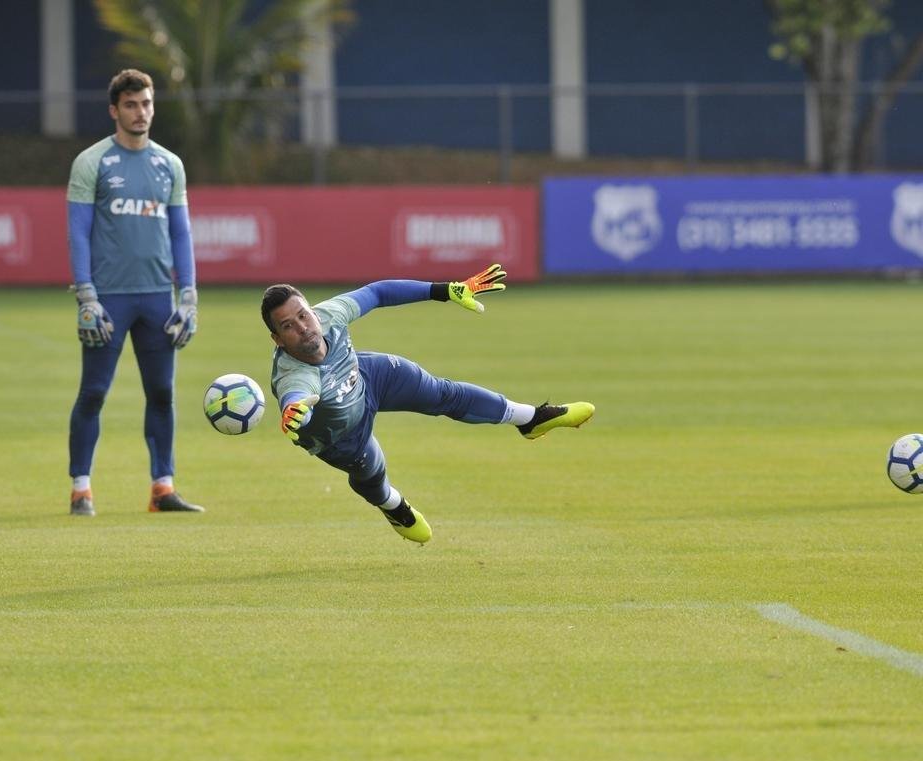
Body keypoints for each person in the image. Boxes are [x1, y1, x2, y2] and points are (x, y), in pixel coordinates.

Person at [261, 265, 593, 543]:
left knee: (442, 392)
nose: (303, 327)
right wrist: (294, 411)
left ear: (312, 310)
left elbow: (378, 292)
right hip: (340, 433)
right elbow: (296, 396)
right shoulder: (293, 374)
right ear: (278, 340)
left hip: (365, 377)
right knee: (372, 477)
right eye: (288, 326)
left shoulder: (329, 315)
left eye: (303, 315)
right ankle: (393, 506)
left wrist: (444, 290)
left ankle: (531, 418)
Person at [65, 68, 203, 516]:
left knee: (162, 393)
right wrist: (86, 295)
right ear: (114, 110)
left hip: (158, 298)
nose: (140, 112)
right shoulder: (92, 162)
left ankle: (163, 489)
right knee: (94, 392)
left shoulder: (170, 164)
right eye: (130, 105)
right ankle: (81, 489)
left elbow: (181, 233)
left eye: (146, 103)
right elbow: (78, 231)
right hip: (108, 298)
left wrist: (188, 295)